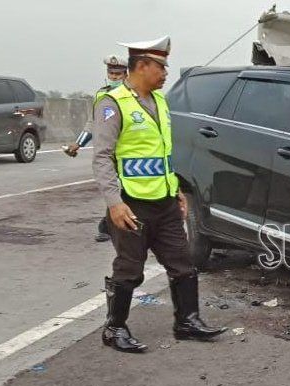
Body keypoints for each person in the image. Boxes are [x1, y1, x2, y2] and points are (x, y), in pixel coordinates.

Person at [92, 36, 227, 353]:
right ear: (141, 66)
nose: (166, 73)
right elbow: (102, 157)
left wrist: (176, 188)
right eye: (161, 66)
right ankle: (114, 329)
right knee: (130, 268)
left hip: (164, 201)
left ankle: (187, 321)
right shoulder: (113, 104)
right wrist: (114, 203)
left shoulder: (160, 102)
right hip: (131, 203)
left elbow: (163, 153)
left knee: (182, 263)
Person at [65, 55, 128, 243]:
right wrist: (78, 143)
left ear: (126, 74)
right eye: (111, 73)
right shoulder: (103, 95)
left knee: (129, 188)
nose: (114, 77)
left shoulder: (134, 94)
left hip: (130, 150)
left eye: (118, 74)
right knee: (114, 188)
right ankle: (109, 224)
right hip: (108, 151)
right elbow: (94, 122)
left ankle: (110, 224)